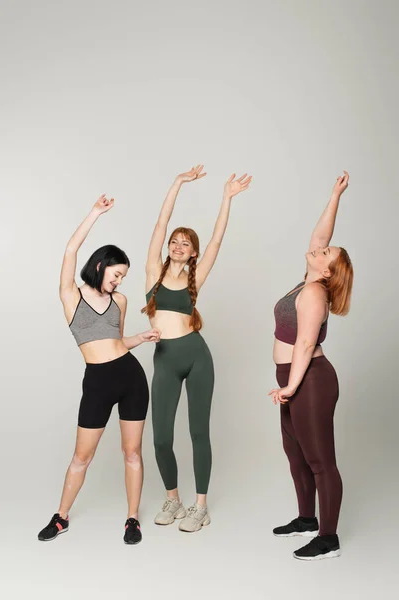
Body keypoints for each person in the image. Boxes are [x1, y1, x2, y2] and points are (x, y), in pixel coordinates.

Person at [37, 194, 159, 545]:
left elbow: (116, 343)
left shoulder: (119, 301)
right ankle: (61, 518)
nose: (120, 282)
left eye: (123, 277)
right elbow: (70, 251)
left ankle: (132, 519)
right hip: (98, 381)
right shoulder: (71, 296)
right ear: (102, 265)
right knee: (81, 456)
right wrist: (95, 213)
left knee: (132, 452)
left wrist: (141, 337)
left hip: (130, 377)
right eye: (117, 273)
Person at [142, 165, 252, 532]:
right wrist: (176, 183)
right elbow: (160, 224)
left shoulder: (196, 276)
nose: (177, 245)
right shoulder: (151, 273)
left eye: (185, 243)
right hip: (165, 361)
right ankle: (172, 499)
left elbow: (218, 239)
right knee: (160, 437)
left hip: (196, 356)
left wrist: (226, 198)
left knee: (199, 432)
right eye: (175, 240)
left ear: (192, 254)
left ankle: (199, 507)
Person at [269, 172, 353, 560]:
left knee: (320, 460)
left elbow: (304, 342)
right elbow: (319, 237)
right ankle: (306, 519)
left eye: (325, 254)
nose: (318, 249)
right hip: (292, 377)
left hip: (311, 380)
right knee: (296, 453)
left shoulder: (316, 292)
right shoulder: (310, 278)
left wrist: (290, 387)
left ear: (327, 272)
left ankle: (328, 538)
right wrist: (334, 196)